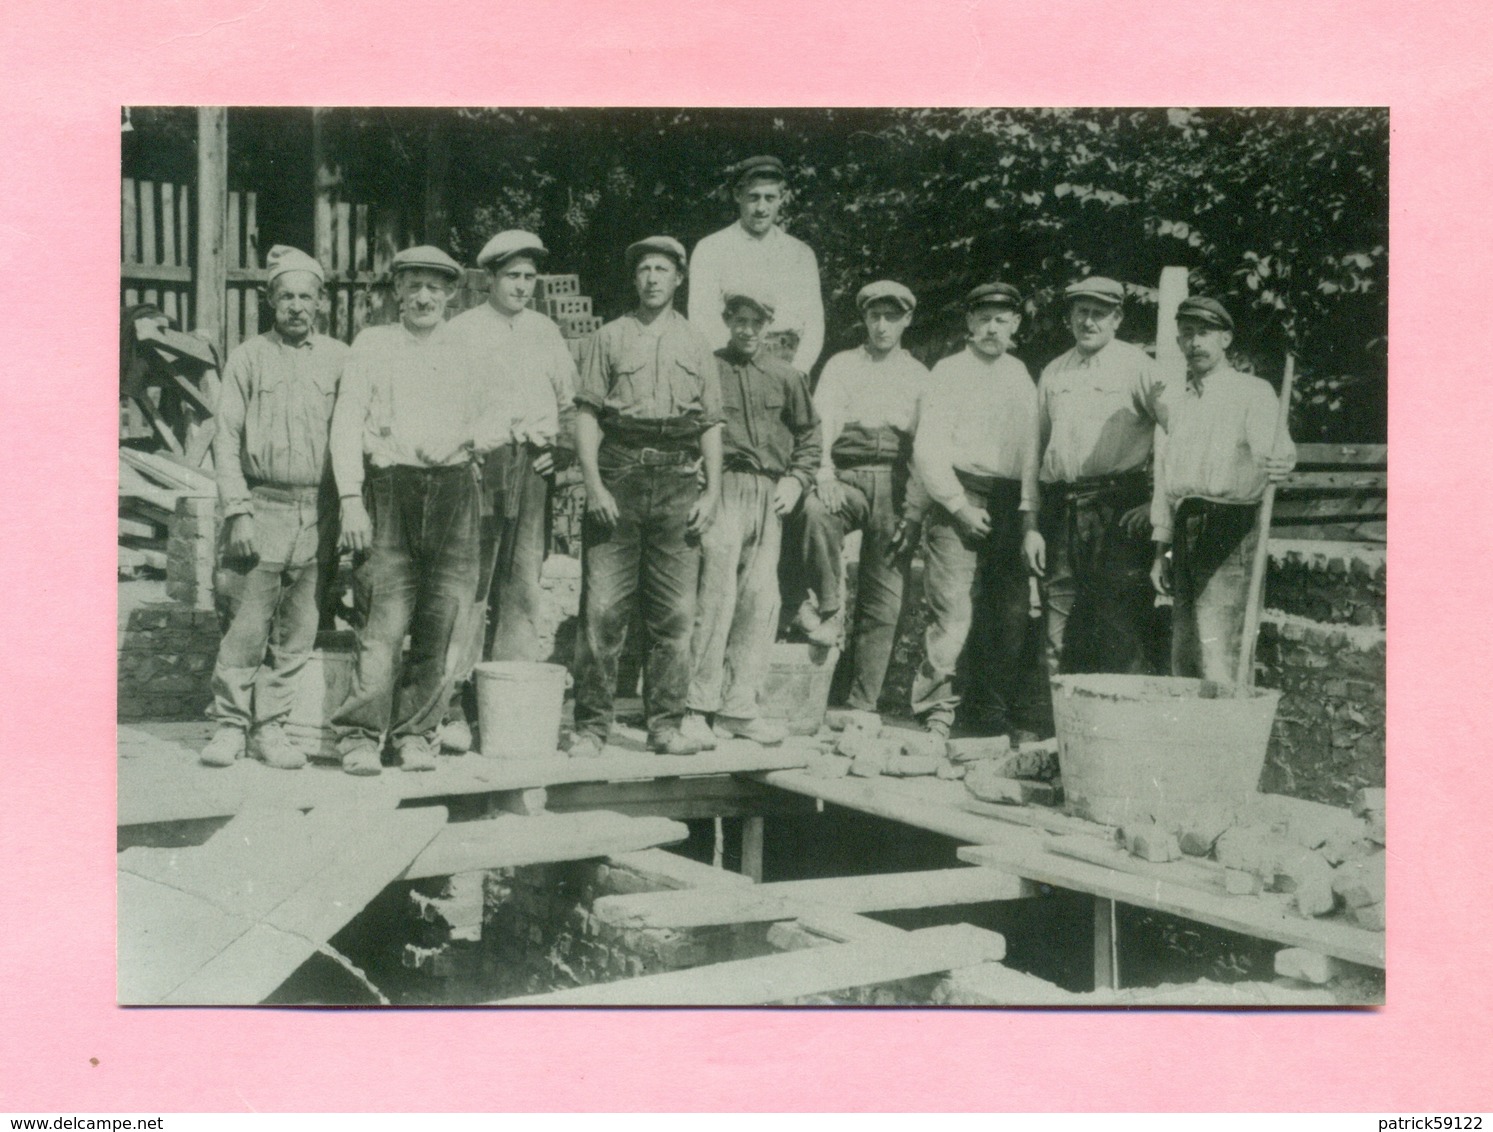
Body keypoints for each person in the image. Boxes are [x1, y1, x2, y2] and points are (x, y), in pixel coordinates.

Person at [328, 246, 504, 776]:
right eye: (413, 286)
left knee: (442, 619)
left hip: (454, 492)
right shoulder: (373, 345)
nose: (424, 296)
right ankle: (359, 736)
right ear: (397, 292)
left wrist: (463, 436)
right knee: (381, 622)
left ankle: (416, 734)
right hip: (389, 490)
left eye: (435, 286)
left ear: (451, 294)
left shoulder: (472, 349)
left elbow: (500, 418)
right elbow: (345, 424)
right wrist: (351, 499)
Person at [570, 236, 724, 758]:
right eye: (644, 270)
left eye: (663, 269)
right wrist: (593, 484)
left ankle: (666, 727)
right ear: (634, 279)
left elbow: (710, 424)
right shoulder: (608, 338)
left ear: (679, 279)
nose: (653, 278)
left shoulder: (698, 343)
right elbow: (587, 415)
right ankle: (591, 728)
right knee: (602, 610)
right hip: (620, 474)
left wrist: (714, 494)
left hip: (680, 481)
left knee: (676, 614)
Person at [199, 245, 349, 770]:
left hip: (319, 511)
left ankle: (272, 728)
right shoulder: (247, 356)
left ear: (321, 302)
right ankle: (229, 726)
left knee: (298, 628)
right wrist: (237, 509)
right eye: (286, 296)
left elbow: (353, 436)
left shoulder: (339, 358)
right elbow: (226, 437)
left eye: (306, 296)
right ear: (269, 301)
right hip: (262, 505)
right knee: (246, 622)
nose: (296, 306)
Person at [440, 230, 578, 752]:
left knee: (521, 586)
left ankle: (509, 706)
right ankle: (452, 705)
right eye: (513, 276)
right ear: (490, 279)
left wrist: (560, 451)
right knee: (470, 585)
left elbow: (570, 404)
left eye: (529, 277)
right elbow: (443, 402)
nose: (522, 286)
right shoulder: (463, 331)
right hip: (479, 467)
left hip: (532, 469)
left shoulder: (547, 332)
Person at [682, 289, 821, 750]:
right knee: (714, 599)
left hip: (769, 494)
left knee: (760, 602)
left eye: (755, 321)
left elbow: (810, 436)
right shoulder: (708, 367)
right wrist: (700, 476)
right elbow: (688, 426)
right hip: (723, 488)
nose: (746, 329)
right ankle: (697, 707)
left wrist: (797, 481)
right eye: (738, 320)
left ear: (768, 325)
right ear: (726, 321)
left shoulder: (786, 376)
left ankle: (738, 709)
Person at [909, 283, 1043, 739]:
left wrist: (1027, 516)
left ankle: (988, 714)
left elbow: (1030, 454)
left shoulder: (1022, 375)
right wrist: (958, 506)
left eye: (1001, 320)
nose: (991, 328)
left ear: (1015, 326)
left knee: (1007, 614)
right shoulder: (947, 372)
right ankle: (936, 711)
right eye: (983, 318)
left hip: (1008, 503)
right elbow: (928, 448)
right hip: (958, 497)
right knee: (953, 612)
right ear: (968, 322)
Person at [796, 280, 929, 722]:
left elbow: (925, 447)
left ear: (906, 319)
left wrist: (913, 511)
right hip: (847, 477)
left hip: (895, 483)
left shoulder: (918, 375)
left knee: (886, 594)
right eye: (875, 316)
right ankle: (830, 609)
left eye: (892, 316)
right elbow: (820, 427)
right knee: (816, 512)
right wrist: (825, 476)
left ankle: (860, 704)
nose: (882, 325)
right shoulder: (841, 365)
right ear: (864, 319)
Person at [1149, 296, 1296, 683]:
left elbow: (1274, 448)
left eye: (1204, 333)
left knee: (1220, 648)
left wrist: (1281, 460)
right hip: (1186, 524)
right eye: (1187, 335)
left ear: (1226, 339)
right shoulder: (1178, 403)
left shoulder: (1252, 392)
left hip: (1230, 526)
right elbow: (1168, 479)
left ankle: (1224, 739)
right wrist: (1161, 549)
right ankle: (1192, 741)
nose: (1195, 343)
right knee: (1185, 648)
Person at [1035, 276, 1169, 679]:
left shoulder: (1139, 367)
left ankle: (1119, 734)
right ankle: (1057, 730)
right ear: (1070, 318)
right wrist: (1031, 521)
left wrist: (1157, 503)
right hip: (1062, 508)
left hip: (1118, 508)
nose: (1088, 321)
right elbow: (1034, 450)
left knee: (1118, 625)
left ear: (1117, 318)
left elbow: (1181, 431)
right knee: (1057, 621)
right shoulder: (1054, 372)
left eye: (1098, 313)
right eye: (1081, 312)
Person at [687, 156, 825, 375]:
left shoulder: (801, 254)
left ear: (782, 198)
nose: (761, 207)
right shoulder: (710, 249)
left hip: (789, 366)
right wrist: (726, 369)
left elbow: (814, 323)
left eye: (770, 198)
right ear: (737, 196)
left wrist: (799, 372)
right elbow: (702, 320)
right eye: (753, 197)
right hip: (731, 365)